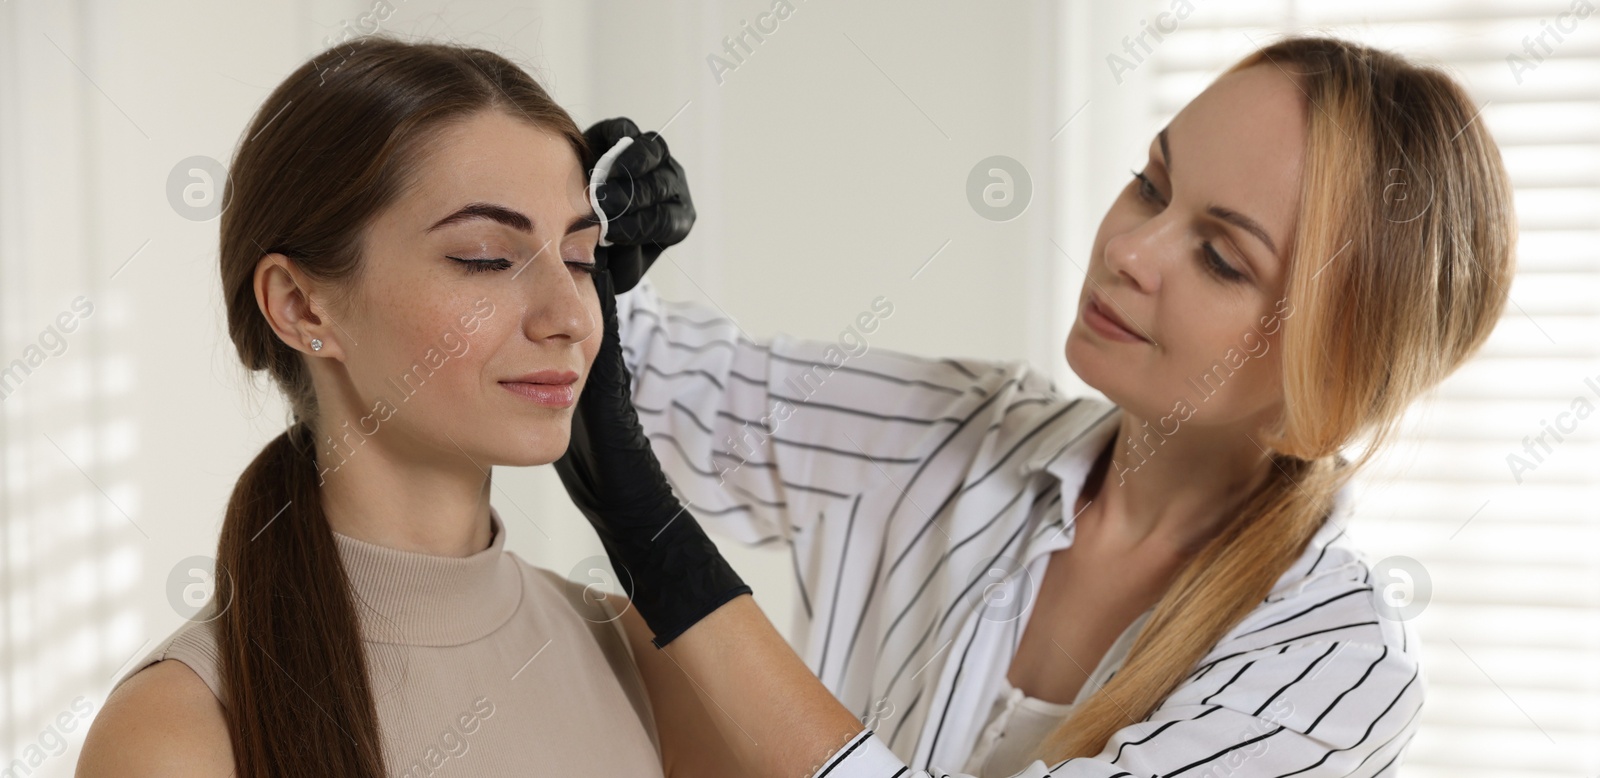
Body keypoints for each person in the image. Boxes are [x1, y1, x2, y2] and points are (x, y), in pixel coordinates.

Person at [557, 34, 1515, 776]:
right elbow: (605, 372)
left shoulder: (1334, 671)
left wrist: (670, 565)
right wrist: (586, 244)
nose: (1130, 250)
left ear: (1335, 372)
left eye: (1223, 257)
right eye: (1152, 183)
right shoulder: (958, 437)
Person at [77, 37, 692, 777]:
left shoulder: (636, 652)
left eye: (581, 259)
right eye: (486, 258)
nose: (571, 315)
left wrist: (650, 525)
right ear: (302, 305)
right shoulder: (178, 733)